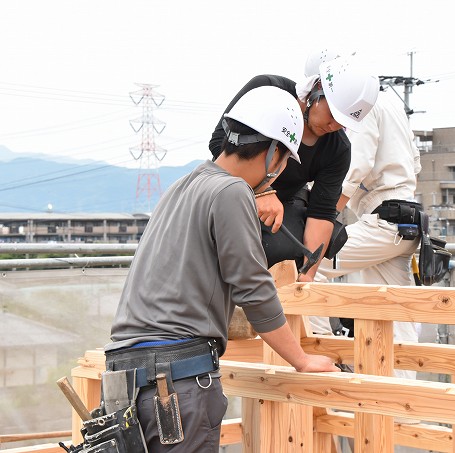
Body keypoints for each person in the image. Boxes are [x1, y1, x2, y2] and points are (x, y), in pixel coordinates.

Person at [105, 86, 338, 453]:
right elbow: (253, 287)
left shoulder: (183, 186)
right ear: (274, 152)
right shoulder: (232, 192)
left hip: (125, 377)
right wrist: (302, 359)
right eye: (283, 162)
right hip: (176, 381)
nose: (279, 172)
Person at [208, 55, 380, 283]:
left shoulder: (337, 149)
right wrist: (261, 191)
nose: (334, 126)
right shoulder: (267, 90)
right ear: (317, 89)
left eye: (343, 123)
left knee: (282, 252)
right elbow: (220, 142)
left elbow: (322, 213)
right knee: (215, 241)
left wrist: (307, 274)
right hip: (229, 183)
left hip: (286, 201)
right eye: (333, 115)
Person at [313, 88, 423, 387]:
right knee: (396, 312)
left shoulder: (363, 105)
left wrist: (322, 220)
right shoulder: (392, 104)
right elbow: (415, 165)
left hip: (384, 218)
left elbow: (353, 167)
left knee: (310, 263)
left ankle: (321, 354)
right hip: (406, 219)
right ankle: (402, 401)